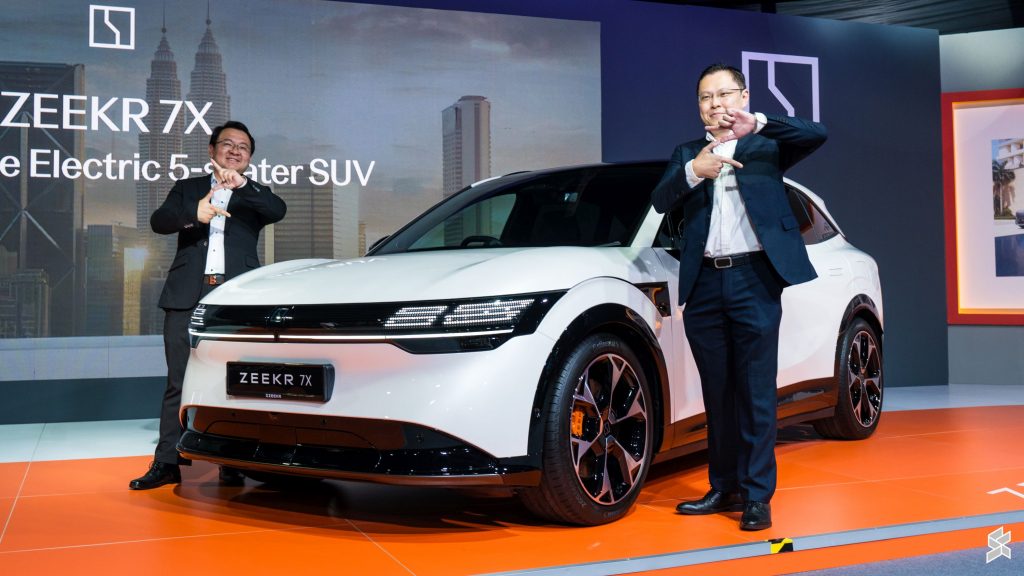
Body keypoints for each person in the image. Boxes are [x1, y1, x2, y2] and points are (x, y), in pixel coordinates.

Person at [651, 64, 826, 530]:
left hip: (754, 278)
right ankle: (723, 487)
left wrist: (760, 123)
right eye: (706, 97)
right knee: (718, 392)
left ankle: (756, 495)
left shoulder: (767, 145)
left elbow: (817, 133)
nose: (716, 104)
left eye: (725, 94)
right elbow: (661, 199)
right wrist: (694, 171)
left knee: (755, 391)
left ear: (743, 96)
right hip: (705, 283)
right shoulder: (687, 152)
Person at [130, 121, 287, 490]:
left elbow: (277, 209)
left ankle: (232, 461)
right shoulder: (188, 188)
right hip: (187, 294)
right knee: (178, 380)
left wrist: (242, 186)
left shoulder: (255, 194)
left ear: (249, 158)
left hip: (235, 300)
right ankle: (167, 461)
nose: (235, 151)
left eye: (243, 147)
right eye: (227, 144)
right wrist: (193, 214)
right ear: (212, 149)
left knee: (238, 381)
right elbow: (159, 221)